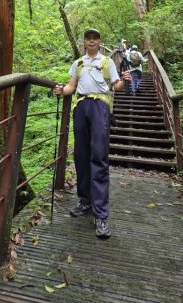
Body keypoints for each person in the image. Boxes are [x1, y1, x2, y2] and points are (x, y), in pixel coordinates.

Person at [55, 28, 131, 239]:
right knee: (81, 156)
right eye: (88, 39)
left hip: (100, 107)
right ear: (84, 42)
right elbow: (72, 86)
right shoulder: (78, 64)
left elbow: (117, 86)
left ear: (99, 41)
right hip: (80, 107)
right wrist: (62, 91)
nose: (91, 42)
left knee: (98, 156)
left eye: (94, 38)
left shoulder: (107, 62)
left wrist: (124, 79)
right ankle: (85, 200)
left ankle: (101, 214)